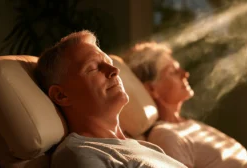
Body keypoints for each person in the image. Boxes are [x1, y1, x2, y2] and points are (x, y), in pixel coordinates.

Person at [35, 31, 187, 168]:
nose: (115, 71)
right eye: (94, 68)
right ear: (61, 95)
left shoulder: (147, 148)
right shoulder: (81, 155)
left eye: (110, 63)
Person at [124, 42, 247, 168]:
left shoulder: (191, 126)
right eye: (173, 72)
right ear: (152, 88)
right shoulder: (166, 135)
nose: (185, 74)